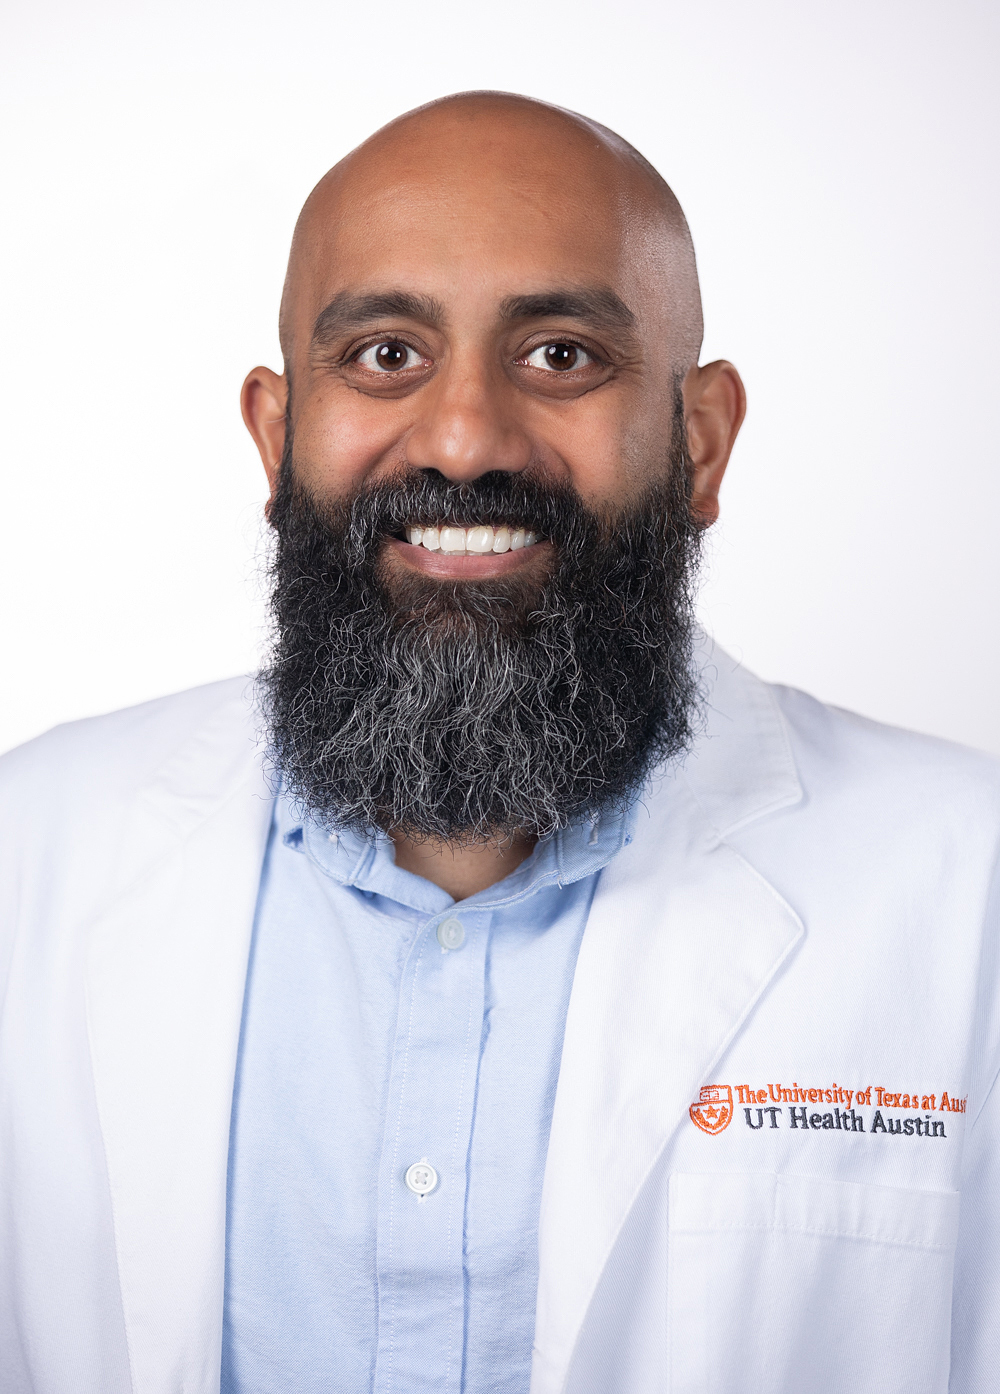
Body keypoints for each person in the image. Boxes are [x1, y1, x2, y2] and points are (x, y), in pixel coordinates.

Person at [1, 91, 998, 1394]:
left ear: (699, 444)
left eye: (562, 355)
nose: (465, 437)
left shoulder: (966, 883)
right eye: (385, 355)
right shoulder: (31, 854)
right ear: (276, 429)